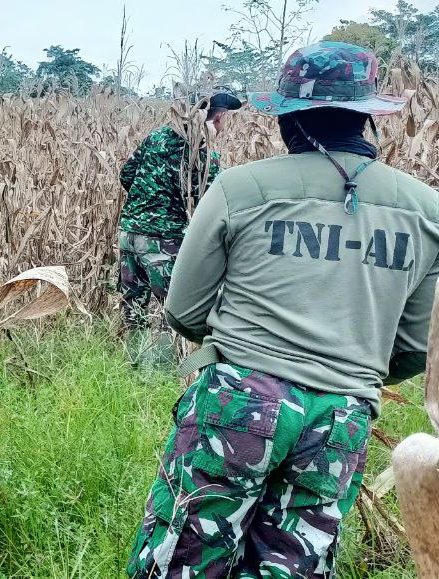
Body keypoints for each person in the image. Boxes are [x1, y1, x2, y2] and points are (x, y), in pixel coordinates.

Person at [127, 42, 434, 579]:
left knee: (185, 561)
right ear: (366, 115)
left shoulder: (241, 188)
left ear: (289, 117)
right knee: (293, 568)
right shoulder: (427, 211)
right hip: (343, 417)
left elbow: (184, 310)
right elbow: (412, 351)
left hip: (238, 402)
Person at [117, 90, 242, 366]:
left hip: (129, 233)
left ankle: (132, 365)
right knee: (171, 308)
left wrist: (145, 205)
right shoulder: (203, 153)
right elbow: (211, 202)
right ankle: (167, 368)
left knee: (133, 303)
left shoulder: (157, 137)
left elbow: (126, 174)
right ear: (218, 118)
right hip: (164, 241)